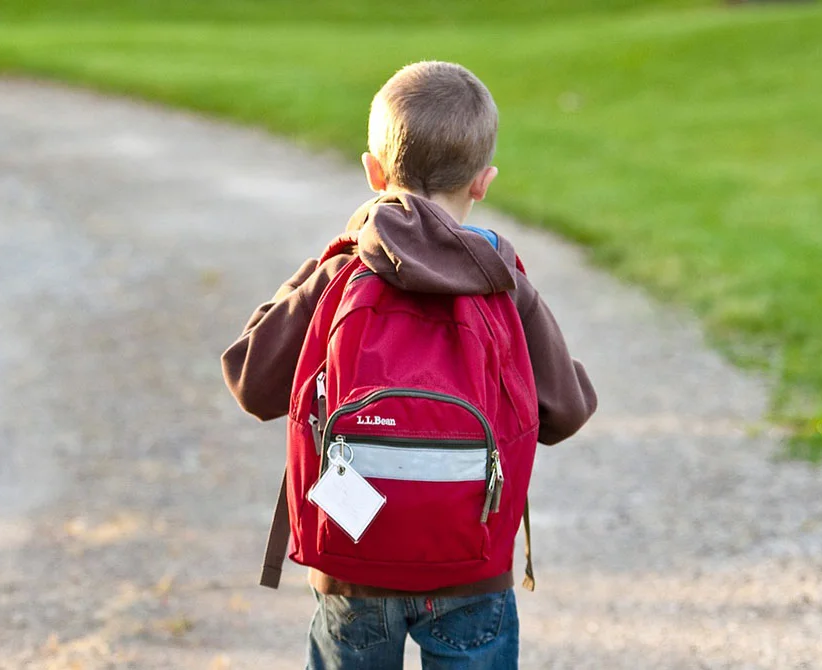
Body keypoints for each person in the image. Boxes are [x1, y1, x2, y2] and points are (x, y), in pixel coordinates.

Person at [222, 61, 597, 670]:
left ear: (373, 171)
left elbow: (249, 380)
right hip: (472, 568)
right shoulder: (502, 282)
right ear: (483, 182)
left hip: (353, 565)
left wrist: (319, 269)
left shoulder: (343, 272)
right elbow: (566, 414)